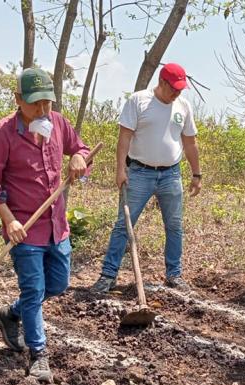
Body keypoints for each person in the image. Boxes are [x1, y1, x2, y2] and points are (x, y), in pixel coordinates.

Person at [0, 68, 90, 383]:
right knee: (33, 290)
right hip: (24, 229)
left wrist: (79, 159)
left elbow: (80, 149)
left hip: (57, 225)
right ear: (18, 100)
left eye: (47, 103)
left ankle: (10, 313)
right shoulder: (1, 134)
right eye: (35, 104)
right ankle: (39, 355)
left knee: (57, 286)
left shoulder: (57, 124)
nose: (43, 110)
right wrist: (9, 218)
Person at [90, 62, 202, 294]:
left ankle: (174, 274)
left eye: (181, 89)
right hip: (139, 172)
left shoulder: (183, 106)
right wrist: (120, 170)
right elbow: (124, 139)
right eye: (174, 88)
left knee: (174, 225)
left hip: (171, 173)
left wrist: (196, 173)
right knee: (124, 225)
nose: (177, 93)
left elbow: (189, 143)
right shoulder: (138, 101)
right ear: (162, 82)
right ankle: (108, 276)